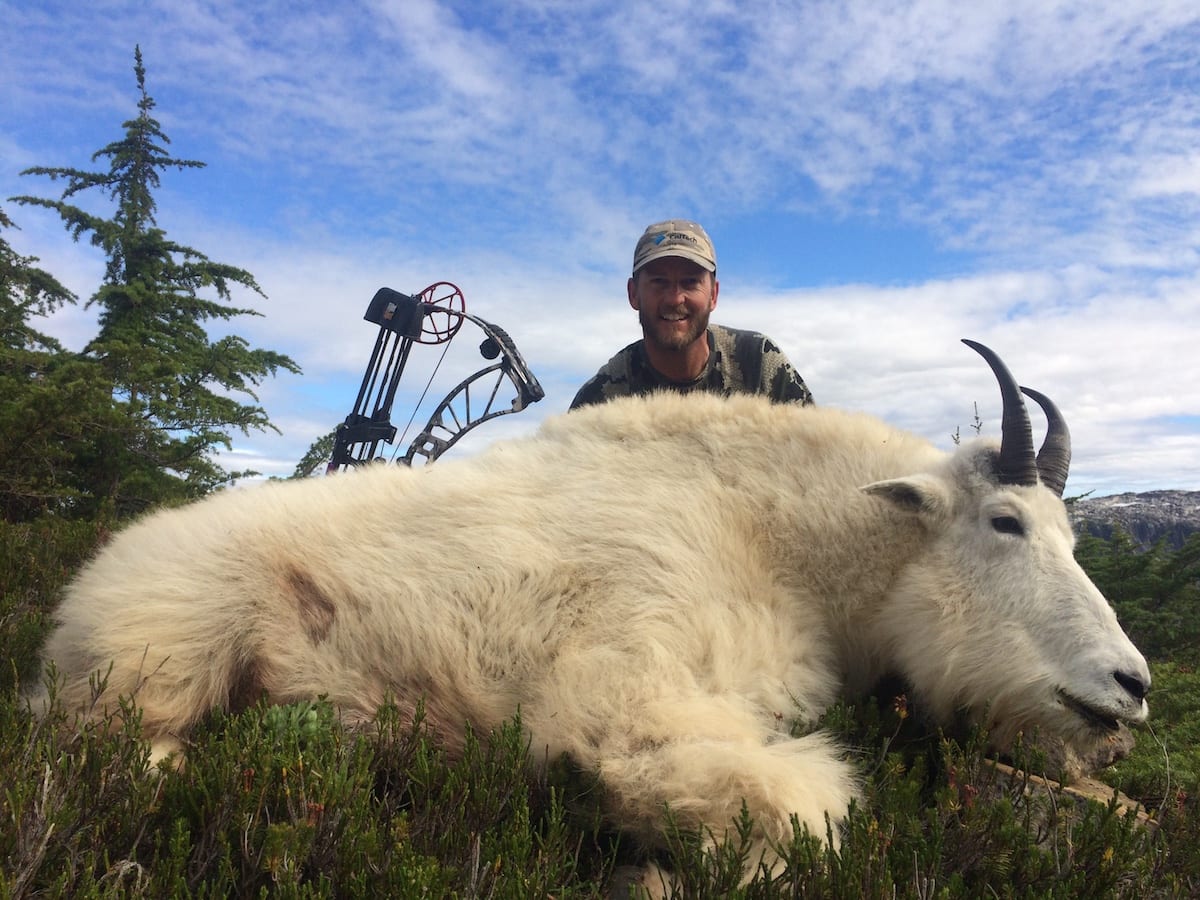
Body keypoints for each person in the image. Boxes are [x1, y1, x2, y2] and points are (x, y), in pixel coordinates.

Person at [569, 219, 814, 410]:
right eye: (659, 282)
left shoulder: (759, 365)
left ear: (713, 295)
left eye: (690, 282)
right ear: (633, 294)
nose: (675, 299)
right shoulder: (601, 398)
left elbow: (815, 457)